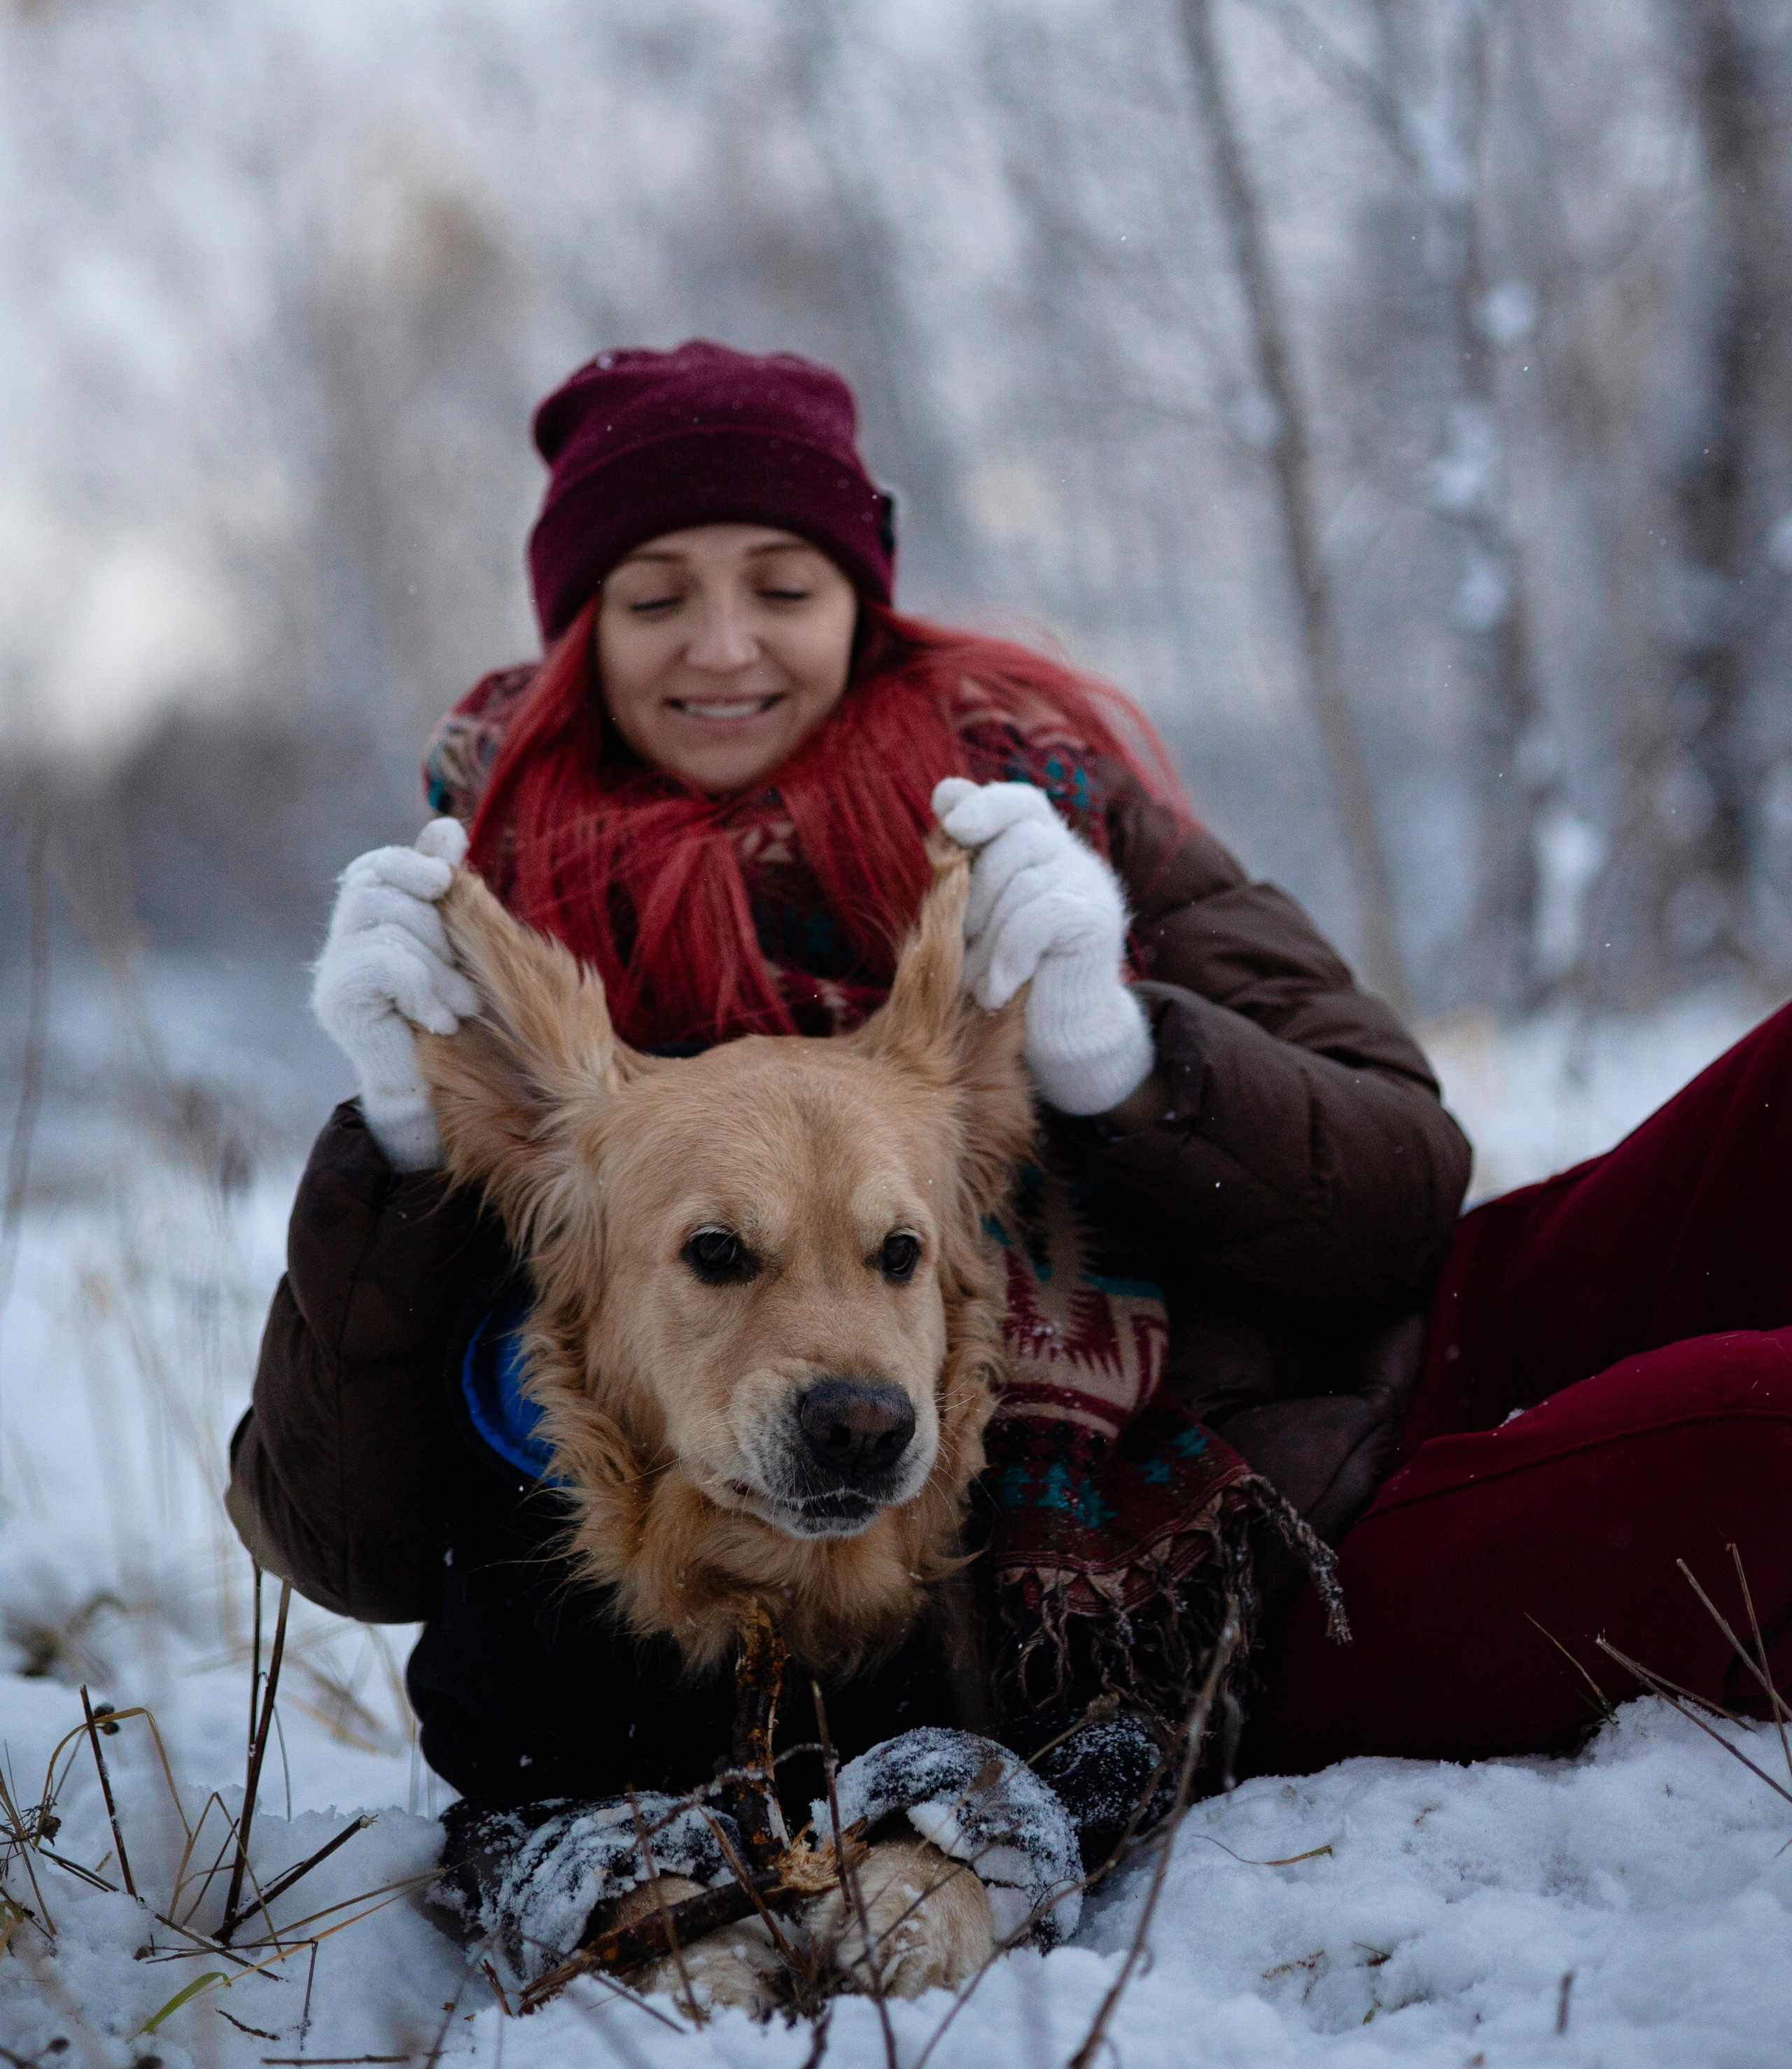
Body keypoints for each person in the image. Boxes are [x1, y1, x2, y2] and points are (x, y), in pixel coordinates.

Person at [228, 339, 1792, 1897]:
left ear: (861, 598)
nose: (720, 646)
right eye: (653, 597)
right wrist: (403, 1143)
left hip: (1384, 1336)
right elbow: (354, 1547)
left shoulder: (1042, 810)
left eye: (781, 584)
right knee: (1757, 1429)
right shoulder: (494, 947)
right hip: (1232, 1570)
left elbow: (1400, 1186)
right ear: (580, 631)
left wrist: (1119, 1052)